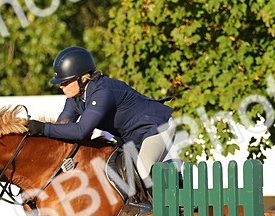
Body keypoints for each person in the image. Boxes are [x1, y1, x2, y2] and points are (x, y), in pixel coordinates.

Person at [26, 46, 181, 191]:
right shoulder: (75, 99)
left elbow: (81, 131)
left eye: (65, 81)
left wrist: (42, 128)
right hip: (130, 138)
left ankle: (173, 171)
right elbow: (63, 126)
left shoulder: (102, 91)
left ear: (82, 78)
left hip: (156, 128)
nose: (61, 86)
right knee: (113, 173)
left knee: (143, 171)